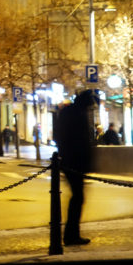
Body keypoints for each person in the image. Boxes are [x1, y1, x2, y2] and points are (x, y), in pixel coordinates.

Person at [55, 90, 98, 246]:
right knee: (77, 198)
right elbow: (79, 140)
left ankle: (71, 234)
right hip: (74, 162)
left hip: (70, 160)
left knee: (77, 198)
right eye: (90, 105)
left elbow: (61, 136)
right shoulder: (76, 113)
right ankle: (71, 235)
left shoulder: (70, 111)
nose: (90, 109)